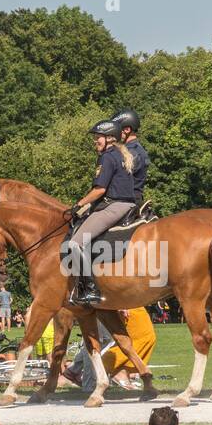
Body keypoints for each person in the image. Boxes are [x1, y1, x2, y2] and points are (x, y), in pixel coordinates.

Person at [64, 118, 138, 306]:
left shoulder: (107, 157)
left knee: (75, 244)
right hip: (126, 204)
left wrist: (78, 205)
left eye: (98, 137)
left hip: (114, 206)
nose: (95, 141)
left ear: (109, 138)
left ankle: (91, 289)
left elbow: (99, 190)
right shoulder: (121, 154)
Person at [102, 306, 157, 388]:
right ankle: (115, 370)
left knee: (147, 337)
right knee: (142, 338)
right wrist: (121, 304)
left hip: (135, 302)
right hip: (127, 303)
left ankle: (121, 370)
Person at [112, 108, 148, 206]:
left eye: (117, 130)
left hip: (123, 201)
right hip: (132, 199)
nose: (114, 134)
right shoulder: (137, 149)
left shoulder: (130, 152)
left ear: (127, 130)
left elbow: (117, 180)